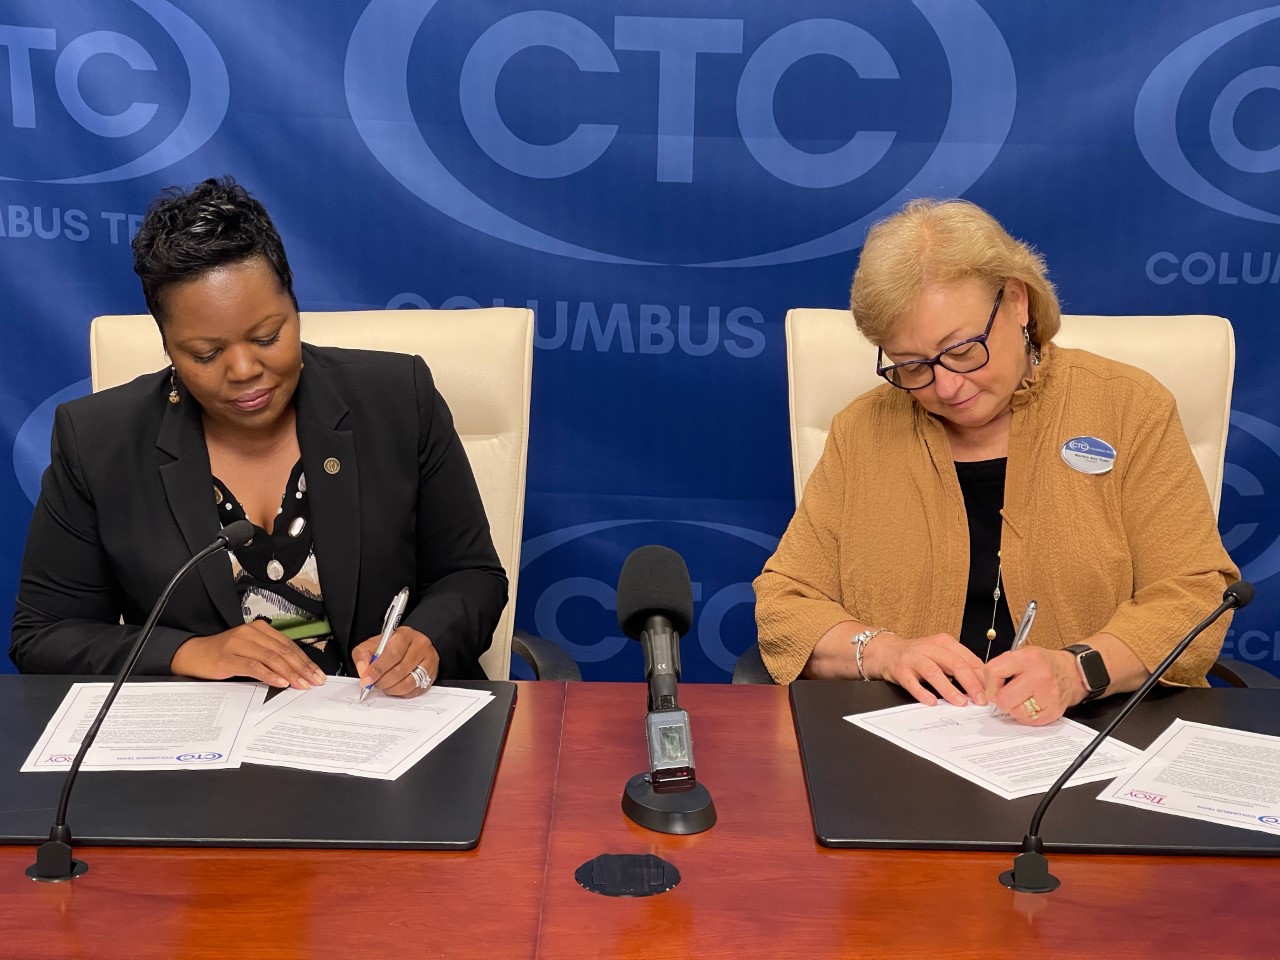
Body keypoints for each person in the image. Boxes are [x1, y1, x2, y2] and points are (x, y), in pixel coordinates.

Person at [10, 177, 508, 696]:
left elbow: (471, 575)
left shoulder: (398, 399)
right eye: (206, 354)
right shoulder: (98, 441)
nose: (245, 370)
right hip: (206, 740)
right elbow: (43, 636)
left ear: (295, 306)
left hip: (381, 719)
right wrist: (189, 652)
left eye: (268, 337)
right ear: (167, 346)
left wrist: (426, 638)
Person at [754, 198, 1238, 724]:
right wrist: (883, 652)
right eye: (912, 366)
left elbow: (1194, 595)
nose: (945, 386)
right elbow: (786, 604)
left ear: (1017, 302)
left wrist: (1077, 671)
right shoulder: (861, 431)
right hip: (903, 736)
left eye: (962, 351)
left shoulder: (1129, 408)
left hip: (1097, 732)